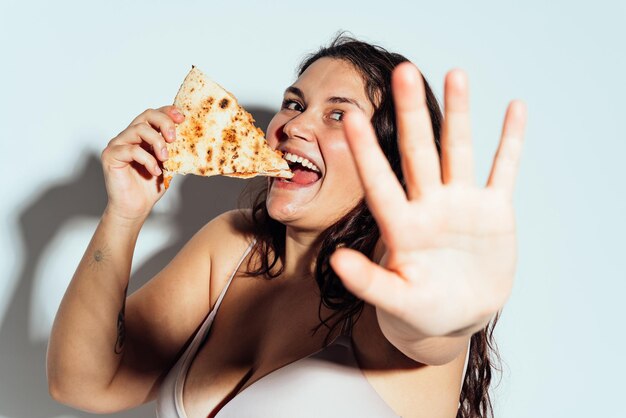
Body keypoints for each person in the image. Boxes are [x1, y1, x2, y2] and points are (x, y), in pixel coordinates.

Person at [46, 35, 526, 418]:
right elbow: (84, 382)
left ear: (391, 161)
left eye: (338, 114)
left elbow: (423, 329)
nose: (293, 126)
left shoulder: (394, 277)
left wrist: (447, 315)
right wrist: (124, 215)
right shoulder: (234, 246)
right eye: (295, 104)